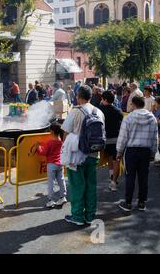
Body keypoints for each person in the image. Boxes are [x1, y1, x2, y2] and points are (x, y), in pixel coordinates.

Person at [61, 85, 105, 226]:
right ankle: (90, 215)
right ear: (91, 97)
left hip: (77, 155)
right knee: (91, 185)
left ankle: (78, 216)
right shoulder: (99, 111)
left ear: (78, 97)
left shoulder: (75, 111)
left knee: (77, 185)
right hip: (93, 153)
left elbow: (66, 133)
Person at [116, 96, 158, 212]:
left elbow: (123, 137)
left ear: (134, 105)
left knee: (130, 177)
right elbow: (155, 137)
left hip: (132, 151)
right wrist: (153, 152)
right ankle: (142, 202)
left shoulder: (129, 118)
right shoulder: (152, 118)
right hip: (145, 150)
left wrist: (119, 151)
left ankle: (128, 203)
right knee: (143, 177)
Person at [36, 122, 67, 208]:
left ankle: (51, 200)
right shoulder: (61, 141)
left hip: (51, 164)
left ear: (52, 132)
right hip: (60, 164)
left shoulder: (50, 142)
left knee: (51, 183)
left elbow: (43, 152)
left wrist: (38, 146)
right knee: (61, 180)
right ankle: (63, 197)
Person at [99, 91, 124, 192]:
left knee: (109, 158)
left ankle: (111, 175)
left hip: (104, 139)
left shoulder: (99, 110)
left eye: (102, 99)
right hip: (117, 139)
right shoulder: (118, 111)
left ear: (105, 99)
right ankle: (114, 181)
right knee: (116, 160)